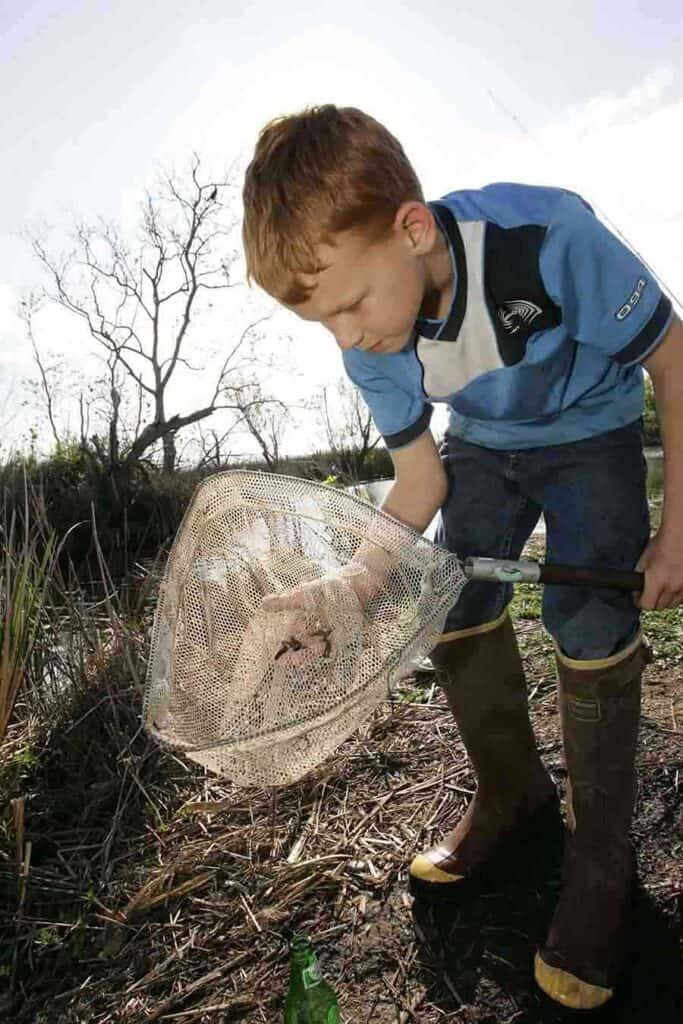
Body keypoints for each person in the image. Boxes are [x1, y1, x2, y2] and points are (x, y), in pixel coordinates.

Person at [241, 105, 682, 1011]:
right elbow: (416, 484)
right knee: (453, 601)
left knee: (590, 615)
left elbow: (674, 362)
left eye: (354, 304)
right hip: (483, 445)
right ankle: (510, 795)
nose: (350, 337)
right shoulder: (374, 343)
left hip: (593, 431)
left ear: (411, 228)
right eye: (324, 322)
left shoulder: (545, 237)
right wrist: (349, 591)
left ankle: (600, 859)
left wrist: (678, 528)